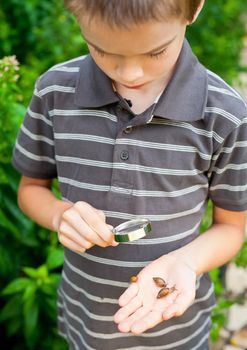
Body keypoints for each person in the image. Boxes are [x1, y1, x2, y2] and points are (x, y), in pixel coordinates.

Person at [12, 0, 247, 349]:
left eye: (155, 52)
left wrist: (186, 261)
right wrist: (60, 215)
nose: (129, 74)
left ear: (193, 9)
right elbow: (31, 189)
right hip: (86, 321)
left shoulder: (225, 116)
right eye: (102, 50)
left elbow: (232, 227)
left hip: (177, 331)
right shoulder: (55, 93)